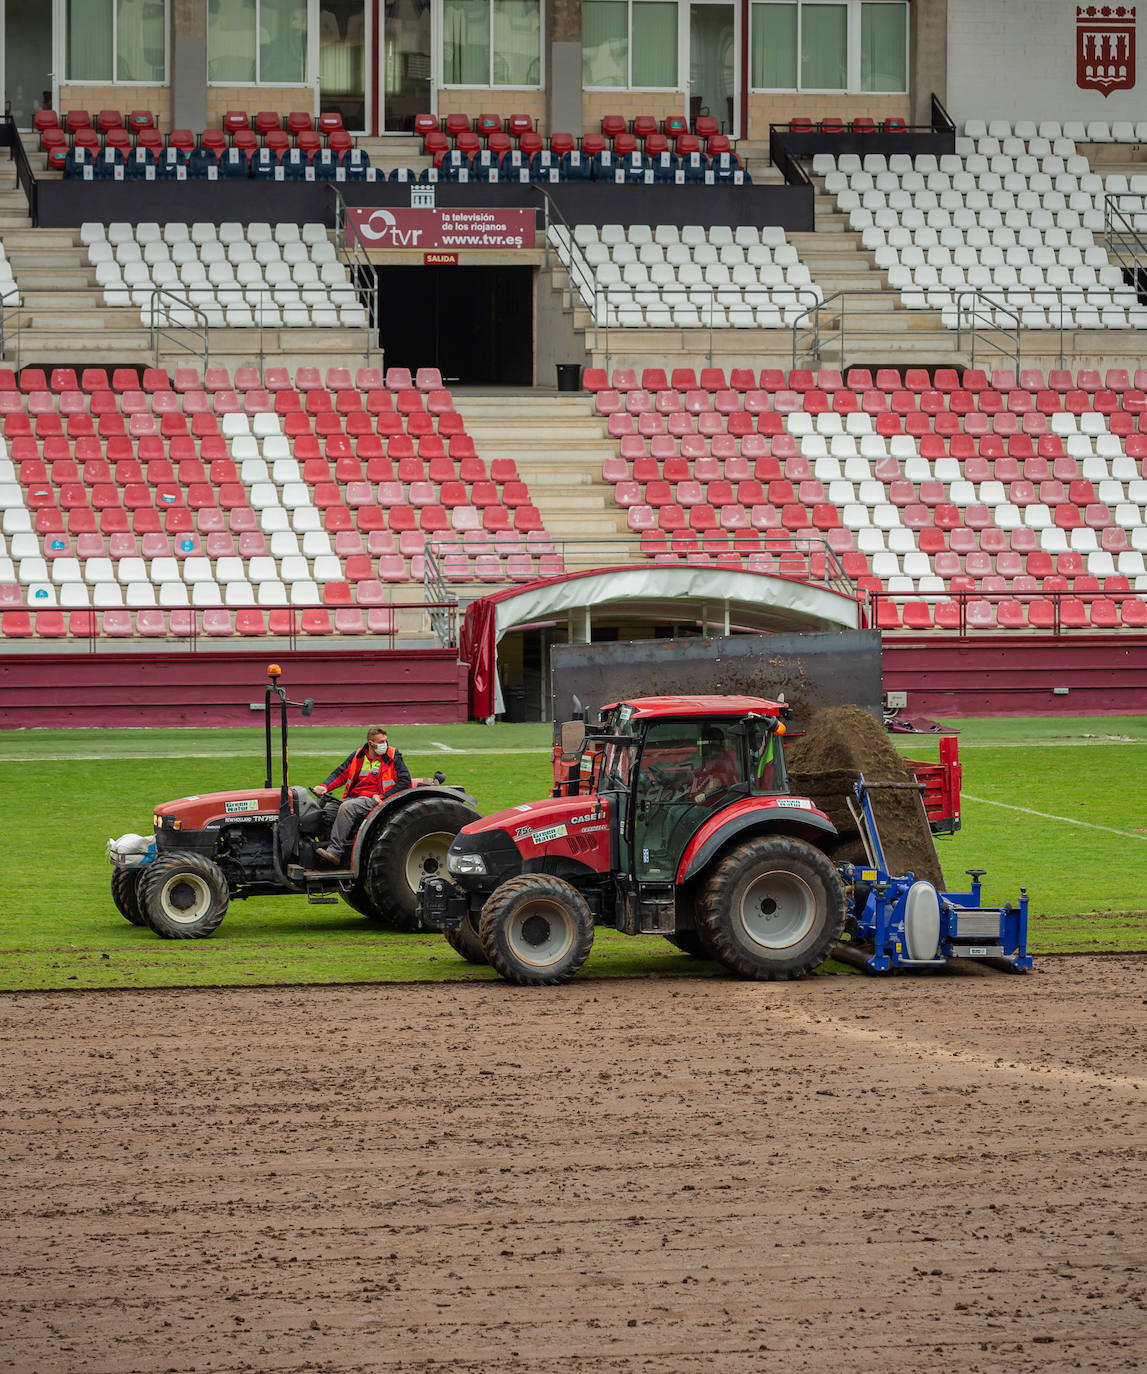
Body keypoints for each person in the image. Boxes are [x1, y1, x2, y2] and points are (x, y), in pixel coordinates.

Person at [314, 725, 411, 866]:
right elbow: (340, 774)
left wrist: (383, 796)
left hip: (376, 799)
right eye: (381, 742)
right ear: (371, 744)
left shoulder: (393, 755)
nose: (385, 744)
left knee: (347, 807)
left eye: (385, 741)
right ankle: (323, 847)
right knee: (326, 813)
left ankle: (335, 852)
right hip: (355, 797)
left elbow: (405, 781)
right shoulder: (357, 756)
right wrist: (324, 786)